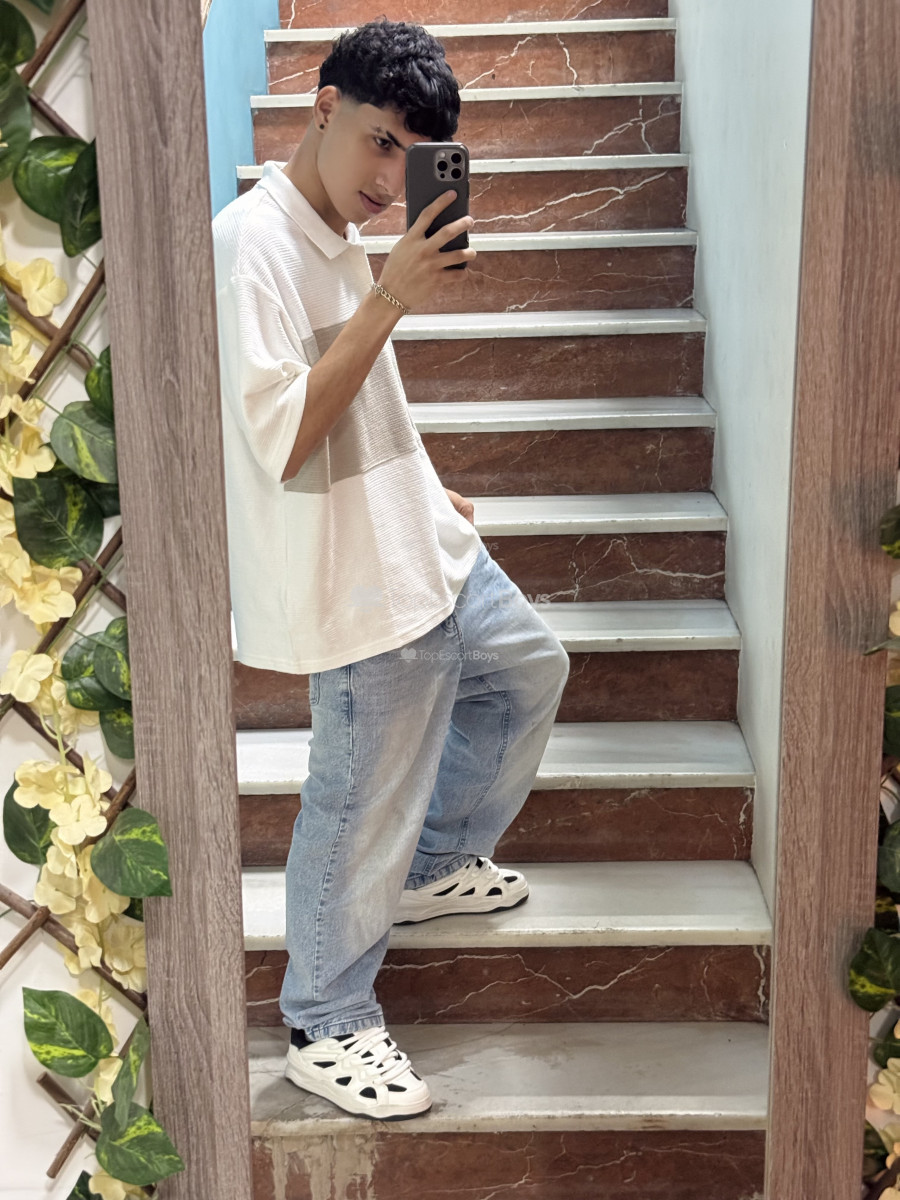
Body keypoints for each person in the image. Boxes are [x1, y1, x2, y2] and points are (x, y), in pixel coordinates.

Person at [212, 18, 569, 1121]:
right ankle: (324, 1021)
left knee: (528, 671)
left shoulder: (340, 233)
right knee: (358, 800)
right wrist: (395, 294)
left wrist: (423, 480)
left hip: (414, 534)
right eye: (378, 142)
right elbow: (285, 435)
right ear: (323, 106)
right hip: (350, 574)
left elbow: (361, 394)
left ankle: (433, 863)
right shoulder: (250, 246)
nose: (387, 178)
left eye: (410, 156)